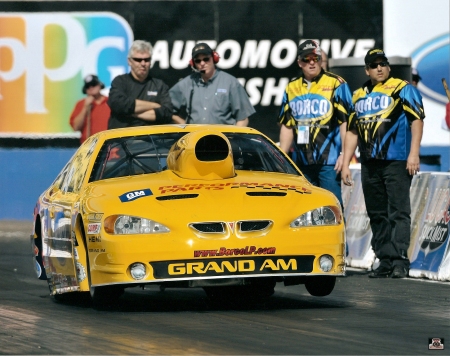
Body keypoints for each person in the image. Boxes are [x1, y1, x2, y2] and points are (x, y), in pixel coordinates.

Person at [341, 48, 425, 279]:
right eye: (374, 65)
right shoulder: (357, 95)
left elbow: (416, 120)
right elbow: (351, 131)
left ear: (388, 67)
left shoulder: (402, 88)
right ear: (367, 70)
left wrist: (414, 153)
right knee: (377, 213)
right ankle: (385, 259)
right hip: (369, 163)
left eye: (383, 64)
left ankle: (400, 260)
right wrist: (346, 162)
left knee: (398, 212)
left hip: (396, 160)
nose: (379, 68)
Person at [278, 40, 353, 209]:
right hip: (301, 161)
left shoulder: (336, 83)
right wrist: (282, 157)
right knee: (304, 210)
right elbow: (287, 124)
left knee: (332, 208)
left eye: (315, 58)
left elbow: (346, 122)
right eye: (307, 59)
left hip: (329, 161)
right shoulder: (291, 87)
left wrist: (345, 156)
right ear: (299, 62)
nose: (311, 62)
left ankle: (338, 237)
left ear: (321, 60)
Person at [169, 42, 255, 126]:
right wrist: (185, 126)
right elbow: (166, 108)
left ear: (214, 58)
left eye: (206, 59)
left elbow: (243, 118)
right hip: (195, 138)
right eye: (198, 61)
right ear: (193, 64)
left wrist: (233, 138)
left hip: (223, 138)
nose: (202, 63)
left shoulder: (230, 83)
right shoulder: (187, 83)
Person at [107, 40, 173, 129]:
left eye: (146, 60)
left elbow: (167, 113)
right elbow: (118, 104)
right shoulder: (120, 81)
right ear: (129, 61)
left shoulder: (159, 85)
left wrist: (130, 113)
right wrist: (154, 105)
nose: (143, 64)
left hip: (150, 140)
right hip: (122, 139)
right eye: (138, 60)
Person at [69, 75, 110, 144]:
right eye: (88, 86)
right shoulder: (81, 104)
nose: (91, 88)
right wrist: (85, 107)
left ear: (100, 85)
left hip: (109, 145)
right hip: (89, 146)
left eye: (93, 84)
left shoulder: (110, 102)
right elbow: (76, 127)